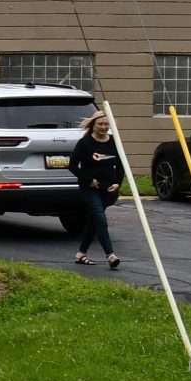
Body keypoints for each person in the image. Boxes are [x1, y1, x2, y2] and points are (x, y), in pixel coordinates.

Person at [70, 111, 122, 268]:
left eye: (106, 124)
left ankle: (81, 254)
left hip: (109, 189)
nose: (104, 127)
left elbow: (121, 165)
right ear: (93, 125)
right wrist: (88, 180)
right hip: (90, 188)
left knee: (94, 220)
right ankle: (110, 255)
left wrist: (118, 182)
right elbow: (72, 165)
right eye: (100, 124)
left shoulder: (114, 142)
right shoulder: (85, 143)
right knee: (99, 217)